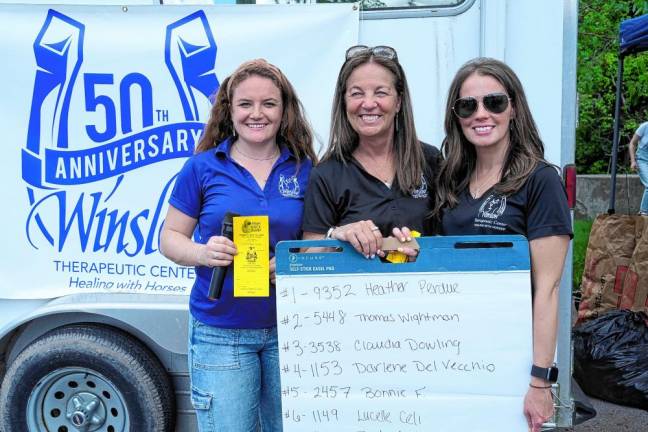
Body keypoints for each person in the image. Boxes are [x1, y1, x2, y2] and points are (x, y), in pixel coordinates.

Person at [160, 59, 316, 432]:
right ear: (229, 111)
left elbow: (318, 239)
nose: (256, 114)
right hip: (221, 332)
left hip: (290, 330)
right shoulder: (201, 168)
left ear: (284, 111)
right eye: (245, 104)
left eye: (269, 104)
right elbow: (169, 239)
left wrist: (296, 262)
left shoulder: (306, 168)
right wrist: (202, 252)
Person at [432, 57, 572, 432]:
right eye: (468, 105)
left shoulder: (540, 181)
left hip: (512, 358)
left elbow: (548, 289)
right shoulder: (451, 181)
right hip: (456, 350)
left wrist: (540, 381)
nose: (481, 114)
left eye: (494, 102)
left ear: (514, 108)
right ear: (456, 116)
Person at [302, 45, 439, 255]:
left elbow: (450, 235)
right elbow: (307, 254)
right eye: (356, 93)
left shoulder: (431, 160)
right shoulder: (326, 174)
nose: (368, 103)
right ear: (344, 101)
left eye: (381, 93)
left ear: (399, 102)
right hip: (352, 289)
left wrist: (419, 249)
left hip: (428, 287)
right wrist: (337, 235)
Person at [629, 121, 648, 216]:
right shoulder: (644, 127)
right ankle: (643, 212)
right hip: (642, 160)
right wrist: (633, 161)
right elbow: (632, 144)